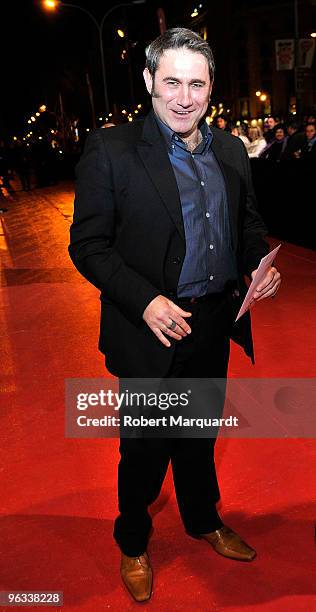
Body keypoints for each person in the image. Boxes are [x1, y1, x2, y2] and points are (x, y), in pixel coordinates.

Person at [69, 28, 281, 603]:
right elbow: (88, 246)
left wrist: (259, 264)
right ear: (149, 83)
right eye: (171, 82)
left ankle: (202, 520)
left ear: (211, 87)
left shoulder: (233, 150)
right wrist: (144, 300)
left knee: (198, 436)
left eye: (196, 83)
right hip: (151, 328)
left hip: (213, 323)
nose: (184, 97)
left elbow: (249, 226)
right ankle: (133, 540)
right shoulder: (111, 150)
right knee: (144, 446)